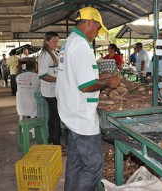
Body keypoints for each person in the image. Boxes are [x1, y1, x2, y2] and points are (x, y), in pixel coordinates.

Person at [55, 7, 120, 191]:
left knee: (75, 164)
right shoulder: (81, 45)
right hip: (81, 116)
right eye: (98, 28)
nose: (97, 33)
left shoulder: (69, 42)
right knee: (93, 166)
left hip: (71, 113)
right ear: (90, 23)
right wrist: (109, 82)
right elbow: (86, 85)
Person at [38, 32, 63, 148]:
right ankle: (57, 144)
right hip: (49, 91)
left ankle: (51, 139)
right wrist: (60, 80)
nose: (56, 43)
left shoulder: (54, 53)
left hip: (55, 90)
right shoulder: (45, 55)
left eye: (57, 41)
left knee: (53, 115)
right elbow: (43, 75)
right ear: (47, 42)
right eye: (54, 41)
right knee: (57, 116)